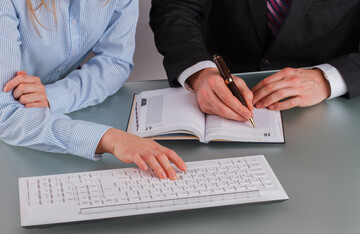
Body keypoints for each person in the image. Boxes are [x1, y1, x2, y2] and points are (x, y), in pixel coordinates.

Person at [0, 0, 187, 180]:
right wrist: (107, 138)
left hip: (43, 126)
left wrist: (53, 96)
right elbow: (5, 114)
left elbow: (115, 62)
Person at [149, 0, 360, 122]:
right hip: (225, 90)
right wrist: (199, 72)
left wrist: (327, 79)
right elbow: (175, 7)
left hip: (336, 105)